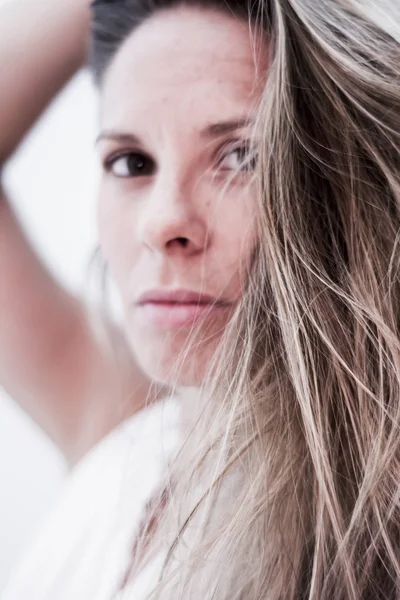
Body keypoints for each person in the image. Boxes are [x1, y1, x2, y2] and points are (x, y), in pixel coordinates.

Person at [0, 0, 399, 598]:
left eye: (241, 156)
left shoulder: (371, 537)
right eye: (131, 161)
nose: (163, 222)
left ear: (343, 186)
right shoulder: (122, 430)